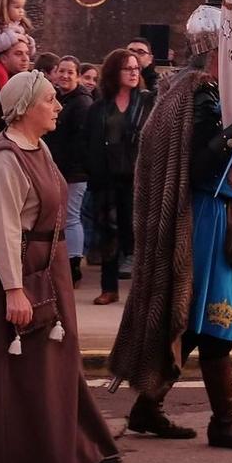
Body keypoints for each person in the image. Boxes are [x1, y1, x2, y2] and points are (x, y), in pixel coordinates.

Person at [0, 71, 120, 463]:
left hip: (46, 266)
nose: (58, 106)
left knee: (53, 363)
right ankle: (24, 457)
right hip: (18, 270)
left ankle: (74, 447)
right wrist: (14, 290)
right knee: (16, 370)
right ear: (25, 108)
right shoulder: (4, 159)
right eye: (50, 100)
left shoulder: (37, 148)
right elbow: (0, 228)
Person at [110, 5, 232, 451]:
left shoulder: (195, 90)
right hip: (205, 216)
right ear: (214, 47)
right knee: (210, 319)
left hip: (217, 212)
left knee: (197, 321)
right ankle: (225, 421)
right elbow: (199, 165)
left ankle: (149, 405)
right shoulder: (197, 95)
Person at [83, 47, 151, 305]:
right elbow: (89, 141)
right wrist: (94, 170)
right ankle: (109, 288)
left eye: (136, 68)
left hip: (138, 179)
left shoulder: (147, 102)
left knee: (138, 235)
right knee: (108, 235)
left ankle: (142, 291)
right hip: (108, 180)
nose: (134, 73)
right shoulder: (100, 107)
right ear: (114, 72)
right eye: (128, 68)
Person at [47, 56, 94, 285]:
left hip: (73, 171)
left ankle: (74, 265)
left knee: (72, 218)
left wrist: (69, 167)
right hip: (58, 168)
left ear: (77, 76)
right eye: (61, 71)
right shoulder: (56, 97)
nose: (65, 76)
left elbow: (79, 142)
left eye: (70, 72)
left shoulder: (82, 103)